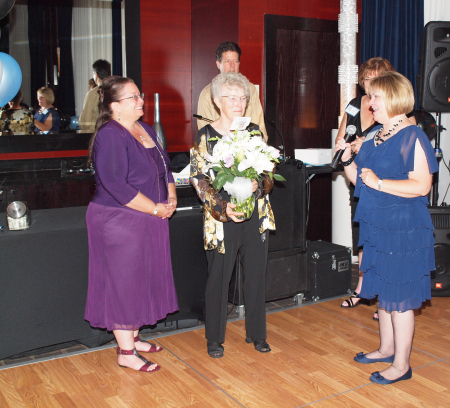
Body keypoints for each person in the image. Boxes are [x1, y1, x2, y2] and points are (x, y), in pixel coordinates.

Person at [336, 71, 438, 384]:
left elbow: (422, 185)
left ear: (393, 98)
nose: (371, 104)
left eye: (377, 98)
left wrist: (379, 181)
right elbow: (360, 181)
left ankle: (402, 365)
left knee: (401, 298)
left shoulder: (413, 136)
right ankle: (386, 348)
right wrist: (346, 157)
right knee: (384, 292)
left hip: (404, 228)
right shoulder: (378, 133)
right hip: (378, 224)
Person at [84, 76, 178, 373]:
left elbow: (165, 167)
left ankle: (134, 338)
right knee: (123, 283)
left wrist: (171, 196)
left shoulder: (143, 128)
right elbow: (116, 185)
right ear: (114, 107)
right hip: (118, 220)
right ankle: (126, 352)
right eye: (133, 98)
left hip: (149, 217)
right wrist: (155, 208)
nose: (141, 101)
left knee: (141, 279)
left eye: (140, 95)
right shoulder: (111, 134)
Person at [191, 72, 275, 358]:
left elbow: (269, 170)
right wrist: (222, 208)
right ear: (217, 101)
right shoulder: (206, 135)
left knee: (255, 274)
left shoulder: (253, 131)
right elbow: (198, 179)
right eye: (232, 98)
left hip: (255, 210)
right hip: (221, 214)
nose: (239, 103)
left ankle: (257, 334)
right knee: (219, 277)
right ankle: (214, 340)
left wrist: (260, 183)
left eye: (243, 98)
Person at [336, 58, 395, 318]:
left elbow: (398, 148)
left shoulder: (391, 110)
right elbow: (340, 138)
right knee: (362, 238)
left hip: (384, 183)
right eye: (366, 78)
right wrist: (343, 145)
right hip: (357, 179)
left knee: (384, 240)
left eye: (375, 78)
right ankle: (362, 288)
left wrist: (368, 146)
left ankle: (384, 296)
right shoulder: (353, 105)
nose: (369, 83)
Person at [197, 41, 267, 140]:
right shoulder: (207, 93)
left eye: (235, 61)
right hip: (220, 148)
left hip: (249, 146)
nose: (232, 65)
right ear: (218, 64)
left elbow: (260, 126)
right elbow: (206, 134)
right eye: (227, 61)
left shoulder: (250, 89)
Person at [79, 59, 111, 132]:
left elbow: (85, 122)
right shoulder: (117, 90)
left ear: (96, 74)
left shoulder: (93, 94)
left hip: (96, 136)